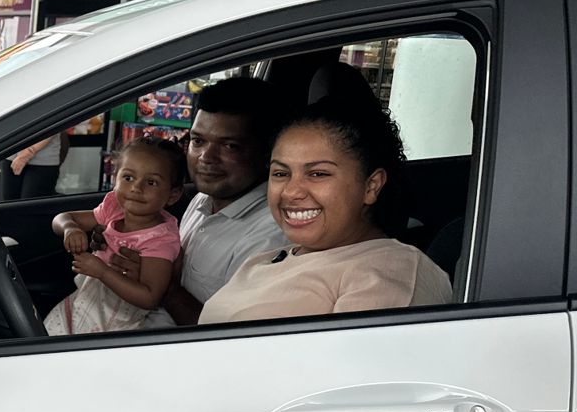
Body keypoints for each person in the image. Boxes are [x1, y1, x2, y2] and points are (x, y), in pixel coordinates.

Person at [200, 101, 453, 323]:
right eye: (281, 173)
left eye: (318, 174)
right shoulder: (267, 259)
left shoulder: (391, 274)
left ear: (371, 186)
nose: (290, 192)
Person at [116, 77, 291, 328]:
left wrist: (163, 287)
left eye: (229, 146)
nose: (206, 157)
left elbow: (233, 338)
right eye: (198, 141)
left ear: (268, 153)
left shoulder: (271, 236)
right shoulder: (203, 199)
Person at [45, 136, 185, 335]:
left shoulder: (160, 239)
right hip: (85, 301)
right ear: (115, 177)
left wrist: (102, 271)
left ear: (173, 195)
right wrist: (70, 228)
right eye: (128, 178)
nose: (136, 187)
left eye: (151, 182)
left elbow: (150, 297)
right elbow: (62, 218)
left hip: (117, 322)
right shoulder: (113, 210)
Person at [8, 133, 67, 198]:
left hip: (43, 160)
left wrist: (28, 153)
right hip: (11, 155)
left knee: (30, 205)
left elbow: (50, 126)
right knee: (9, 202)